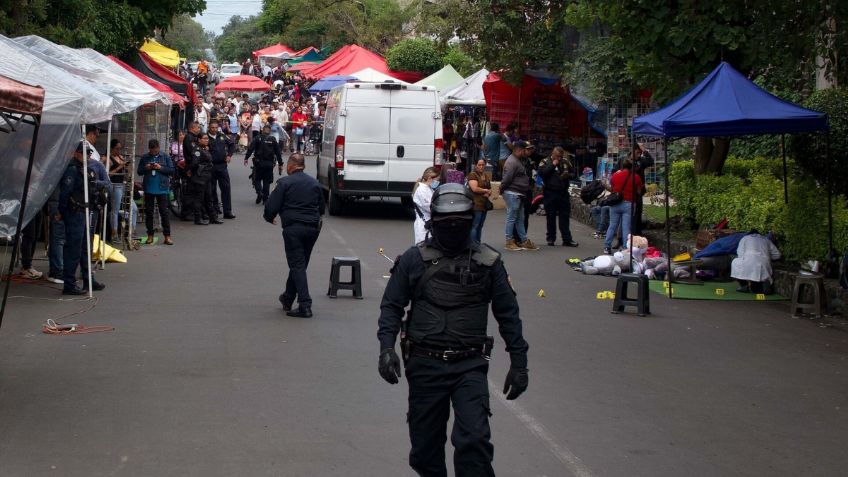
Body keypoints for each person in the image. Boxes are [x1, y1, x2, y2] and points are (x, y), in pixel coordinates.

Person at [377, 183, 529, 477]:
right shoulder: (413, 259)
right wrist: (386, 348)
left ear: (470, 222)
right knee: (424, 452)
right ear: (433, 222)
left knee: (474, 441)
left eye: (460, 223)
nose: (453, 229)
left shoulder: (488, 262)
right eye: (447, 223)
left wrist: (520, 363)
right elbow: (392, 306)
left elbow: (508, 315)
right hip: (425, 364)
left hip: (469, 365)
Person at [263, 153, 325, 318]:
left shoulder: (284, 183)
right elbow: (322, 208)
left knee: (297, 265)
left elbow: (271, 206)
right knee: (300, 265)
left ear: (291, 165)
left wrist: (269, 218)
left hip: (293, 229)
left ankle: (305, 305)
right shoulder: (314, 183)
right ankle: (288, 297)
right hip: (312, 229)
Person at [58, 144, 105, 295]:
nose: (88, 156)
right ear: (76, 153)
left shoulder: (84, 169)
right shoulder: (72, 169)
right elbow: (65, 192)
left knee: (85, 248)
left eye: (89, 153)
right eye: (84, 153)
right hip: (75, 212)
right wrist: (61, 211)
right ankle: (69, 284)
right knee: (74, 249)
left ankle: (88, 278)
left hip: (84, 211)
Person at [500, 140, 537, 251]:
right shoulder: (512, 162)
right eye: (525, 149)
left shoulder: (519, 160)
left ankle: (524, 240)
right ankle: (509, 241)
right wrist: (502, 188)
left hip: (519, 193)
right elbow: (507, 178)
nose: (526, 151)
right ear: (520, 150)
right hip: (513, 193)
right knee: (512, 218)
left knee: (520, 218)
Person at [137, 139, 175, 245]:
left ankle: (167, 236)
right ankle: (150, 235)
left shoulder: (165, 156)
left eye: (155, 150)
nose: (154, 152)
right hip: (149, 188)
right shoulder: (145, 157)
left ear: (159, 147)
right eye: (152, 151)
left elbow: (172, 170)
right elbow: (139, 172)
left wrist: (160, 167)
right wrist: (146, 167)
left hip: (162, 188)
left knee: (164, 212)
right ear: (149, 149)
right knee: (149, 213)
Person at [539, 146, 578, 247]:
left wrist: (567, 175)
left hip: (563, 192)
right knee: (551, 217)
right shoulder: (545, 161)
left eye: (560, 156)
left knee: (564, 217)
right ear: (553, 153)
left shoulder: (565, 161)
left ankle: (567, 239)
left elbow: (573, 173)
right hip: (550, 192)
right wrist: (552, 165)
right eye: (557, 156)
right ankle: (551, 238)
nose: (559, 158)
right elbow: (542, 173)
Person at [603, 158, 642, 255]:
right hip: (629, 203)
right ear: (632, 167)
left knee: (612, 226)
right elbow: (639, 192)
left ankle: (607, 247)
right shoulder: (636, 177)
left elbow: (612, 188)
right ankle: (625, 248)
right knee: (626, 227)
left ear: (622, 166)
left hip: (615, 203)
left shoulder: (615, 176)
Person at [185, 133, 221, 225]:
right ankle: (198, 219)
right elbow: (194, 163)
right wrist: (190, 171)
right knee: (199, 198)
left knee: (209, 197)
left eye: (207, 138)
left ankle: (213, 217)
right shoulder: (197, 150)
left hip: (207, 176)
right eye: (204, 138)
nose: (207, 140)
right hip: (200, 177)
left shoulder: (204, 149)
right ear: (199, 140)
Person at [107, 139, 138, 243]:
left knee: (133, 208)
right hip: (115, 185)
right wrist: (119, 167)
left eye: (120, 148)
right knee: (115, 210)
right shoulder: (108, 158)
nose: (118, 151)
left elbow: (127, 173)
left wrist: (126, 168)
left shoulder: (120, 157)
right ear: (112, 148)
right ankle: (114, 234)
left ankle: (132, 232)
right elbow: (107, 174)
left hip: (123, 184)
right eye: (117, 148)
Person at [244, 124, 283, 204]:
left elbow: (251, 148)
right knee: (266, 181)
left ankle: (259, 193)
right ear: (270, 131)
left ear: (262, 130)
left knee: (257, 179)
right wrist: (280, 163)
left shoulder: (257, 138)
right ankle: (265, 198)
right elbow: (278, 152)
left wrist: (246, 158)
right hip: (269, 163)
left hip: (259, 163)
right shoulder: (273, 139)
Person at [207, 121, 237, 219]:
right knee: (212, 189)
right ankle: (214, 210)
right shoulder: (205, 137)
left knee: (226, 188)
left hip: (222, 166)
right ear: (209, 128)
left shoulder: (222, 136)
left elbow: (232, 144)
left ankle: (227, 211)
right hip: (210, 166)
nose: (214, 129)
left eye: (216, 127)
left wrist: (229, 155)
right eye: (212, 127)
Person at [630, 144, 654, 236]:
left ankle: (637, 233)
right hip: (628, 191)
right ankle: (625, 236)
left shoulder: (641, 161)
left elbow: (650, 162)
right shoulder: (625, 161)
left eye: (640, 153)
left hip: (638, 191)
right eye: (637, 153)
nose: (639, 155)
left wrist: (645, 151)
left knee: (638, 212)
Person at [467, 158, 492, 245]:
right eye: (479, 165)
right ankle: (473, 244)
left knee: (480, 225)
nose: (481, 167)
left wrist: (488, 193)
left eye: (483, 165)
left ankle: (478, 242)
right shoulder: (472, 175)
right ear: (476, 165)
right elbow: (474, 188)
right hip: (476, 204)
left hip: (484, 204)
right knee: (475, 225)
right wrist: (485, 191)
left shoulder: (485, 175)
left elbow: (489, 188)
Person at [412, 167, 440, 244]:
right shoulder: (421, 190)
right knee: (423, 249)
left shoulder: (429, 189)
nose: (438, 182)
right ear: (430, 178)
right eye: (437, 180)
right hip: (423, 225)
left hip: (428, 223)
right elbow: (430, 207)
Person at [17, 212, 43, 279]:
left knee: (35, 236)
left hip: (37, 207)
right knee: (29, 235)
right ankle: (26, 267)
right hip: (28, 208)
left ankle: (28, 266)